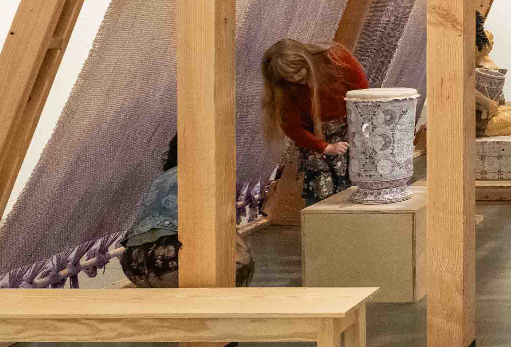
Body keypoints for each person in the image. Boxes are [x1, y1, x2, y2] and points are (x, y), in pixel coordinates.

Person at [119, 136, 256, 287]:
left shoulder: (160, 178)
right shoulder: (206, 174)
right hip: (171, 262)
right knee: (238, 253)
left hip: (133, 265)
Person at [261, 38, 370, 204]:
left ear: (306, 59)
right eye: (288, 77)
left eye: (299, 71)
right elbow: (293, 128)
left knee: (354, 185)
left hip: (351, 129)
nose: (296, 78)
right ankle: (321, 225)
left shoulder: (336, 59)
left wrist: (357, 130)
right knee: (320, 191)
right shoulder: (284, 90)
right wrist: (324, 147)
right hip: (314, 141)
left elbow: (363, 94)